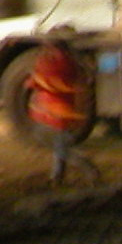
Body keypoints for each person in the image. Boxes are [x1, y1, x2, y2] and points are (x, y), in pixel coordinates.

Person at [29, 30, 101, 189]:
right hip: (59, 111)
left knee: (59, 147)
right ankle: (57, 177)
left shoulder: (57, 62)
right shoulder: (67, 61)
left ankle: (89, 169)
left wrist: (37, 79)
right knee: (59, 145)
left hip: (56, 112)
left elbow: (46, 81)